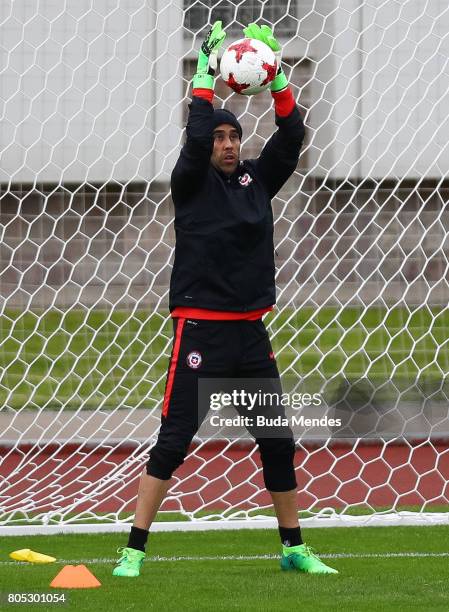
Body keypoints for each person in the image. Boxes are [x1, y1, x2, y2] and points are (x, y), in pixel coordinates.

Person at [113, 21, 338, 577]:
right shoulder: (190, 182)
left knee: (277, 440)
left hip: (249, 335)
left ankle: (293, 549)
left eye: (233, 136)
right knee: (173, 441)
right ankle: (133, 551)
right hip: (200, 333)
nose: (228, 143)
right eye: (219, 137)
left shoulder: (257, 181)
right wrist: (209, 77)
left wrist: (281, 79)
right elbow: (193, 136)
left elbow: (291, 139)